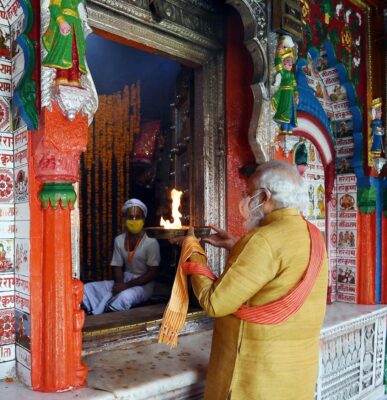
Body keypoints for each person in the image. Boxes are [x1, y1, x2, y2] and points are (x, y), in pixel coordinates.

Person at [165, 160, 328, 399]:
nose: (246, 201)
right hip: (296, 377)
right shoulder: (313, 234)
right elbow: (278, 273)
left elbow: (214, 303)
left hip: (255, 379)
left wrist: (194, 252)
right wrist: (235, 245)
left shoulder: (263, 240)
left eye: (249, 194)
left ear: (264, 196)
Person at [83, 199, 160, 315]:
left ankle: (106, 319)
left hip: (144, 285)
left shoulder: (151, 243)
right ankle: (90, 312)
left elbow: (152, 273)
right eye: (130, 217)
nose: (134, 220)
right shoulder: (119, 240)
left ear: (143, 219)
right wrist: (119, 284)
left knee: (124, 297)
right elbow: (117, 266)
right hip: (124, 280)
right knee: (88, 288)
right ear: (124, 219)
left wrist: (125, 286)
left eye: (137, 217)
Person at [42, 0, 87, 86]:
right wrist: (61, 21)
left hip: (76, 24)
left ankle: (74, 78)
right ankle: (61, 76)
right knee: (63, 49)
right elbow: (54, 7)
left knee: (76, 50)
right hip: (65, 21)